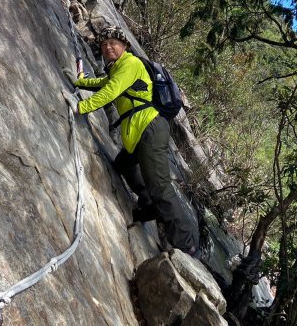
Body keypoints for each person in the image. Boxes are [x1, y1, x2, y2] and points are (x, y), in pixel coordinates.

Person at [63, 26, 200, 258]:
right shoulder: (120, 67)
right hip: (139, 133)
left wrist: (81, 107)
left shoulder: (131, 63)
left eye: (113, 43)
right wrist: (80, 84)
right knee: (124, 164)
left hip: (149, 129)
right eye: (104, 44)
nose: (108, 47)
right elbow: (105, 83)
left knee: (162, 187)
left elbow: (112, 91)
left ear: (125, 45)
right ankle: (149, 206)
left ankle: (188, 246)